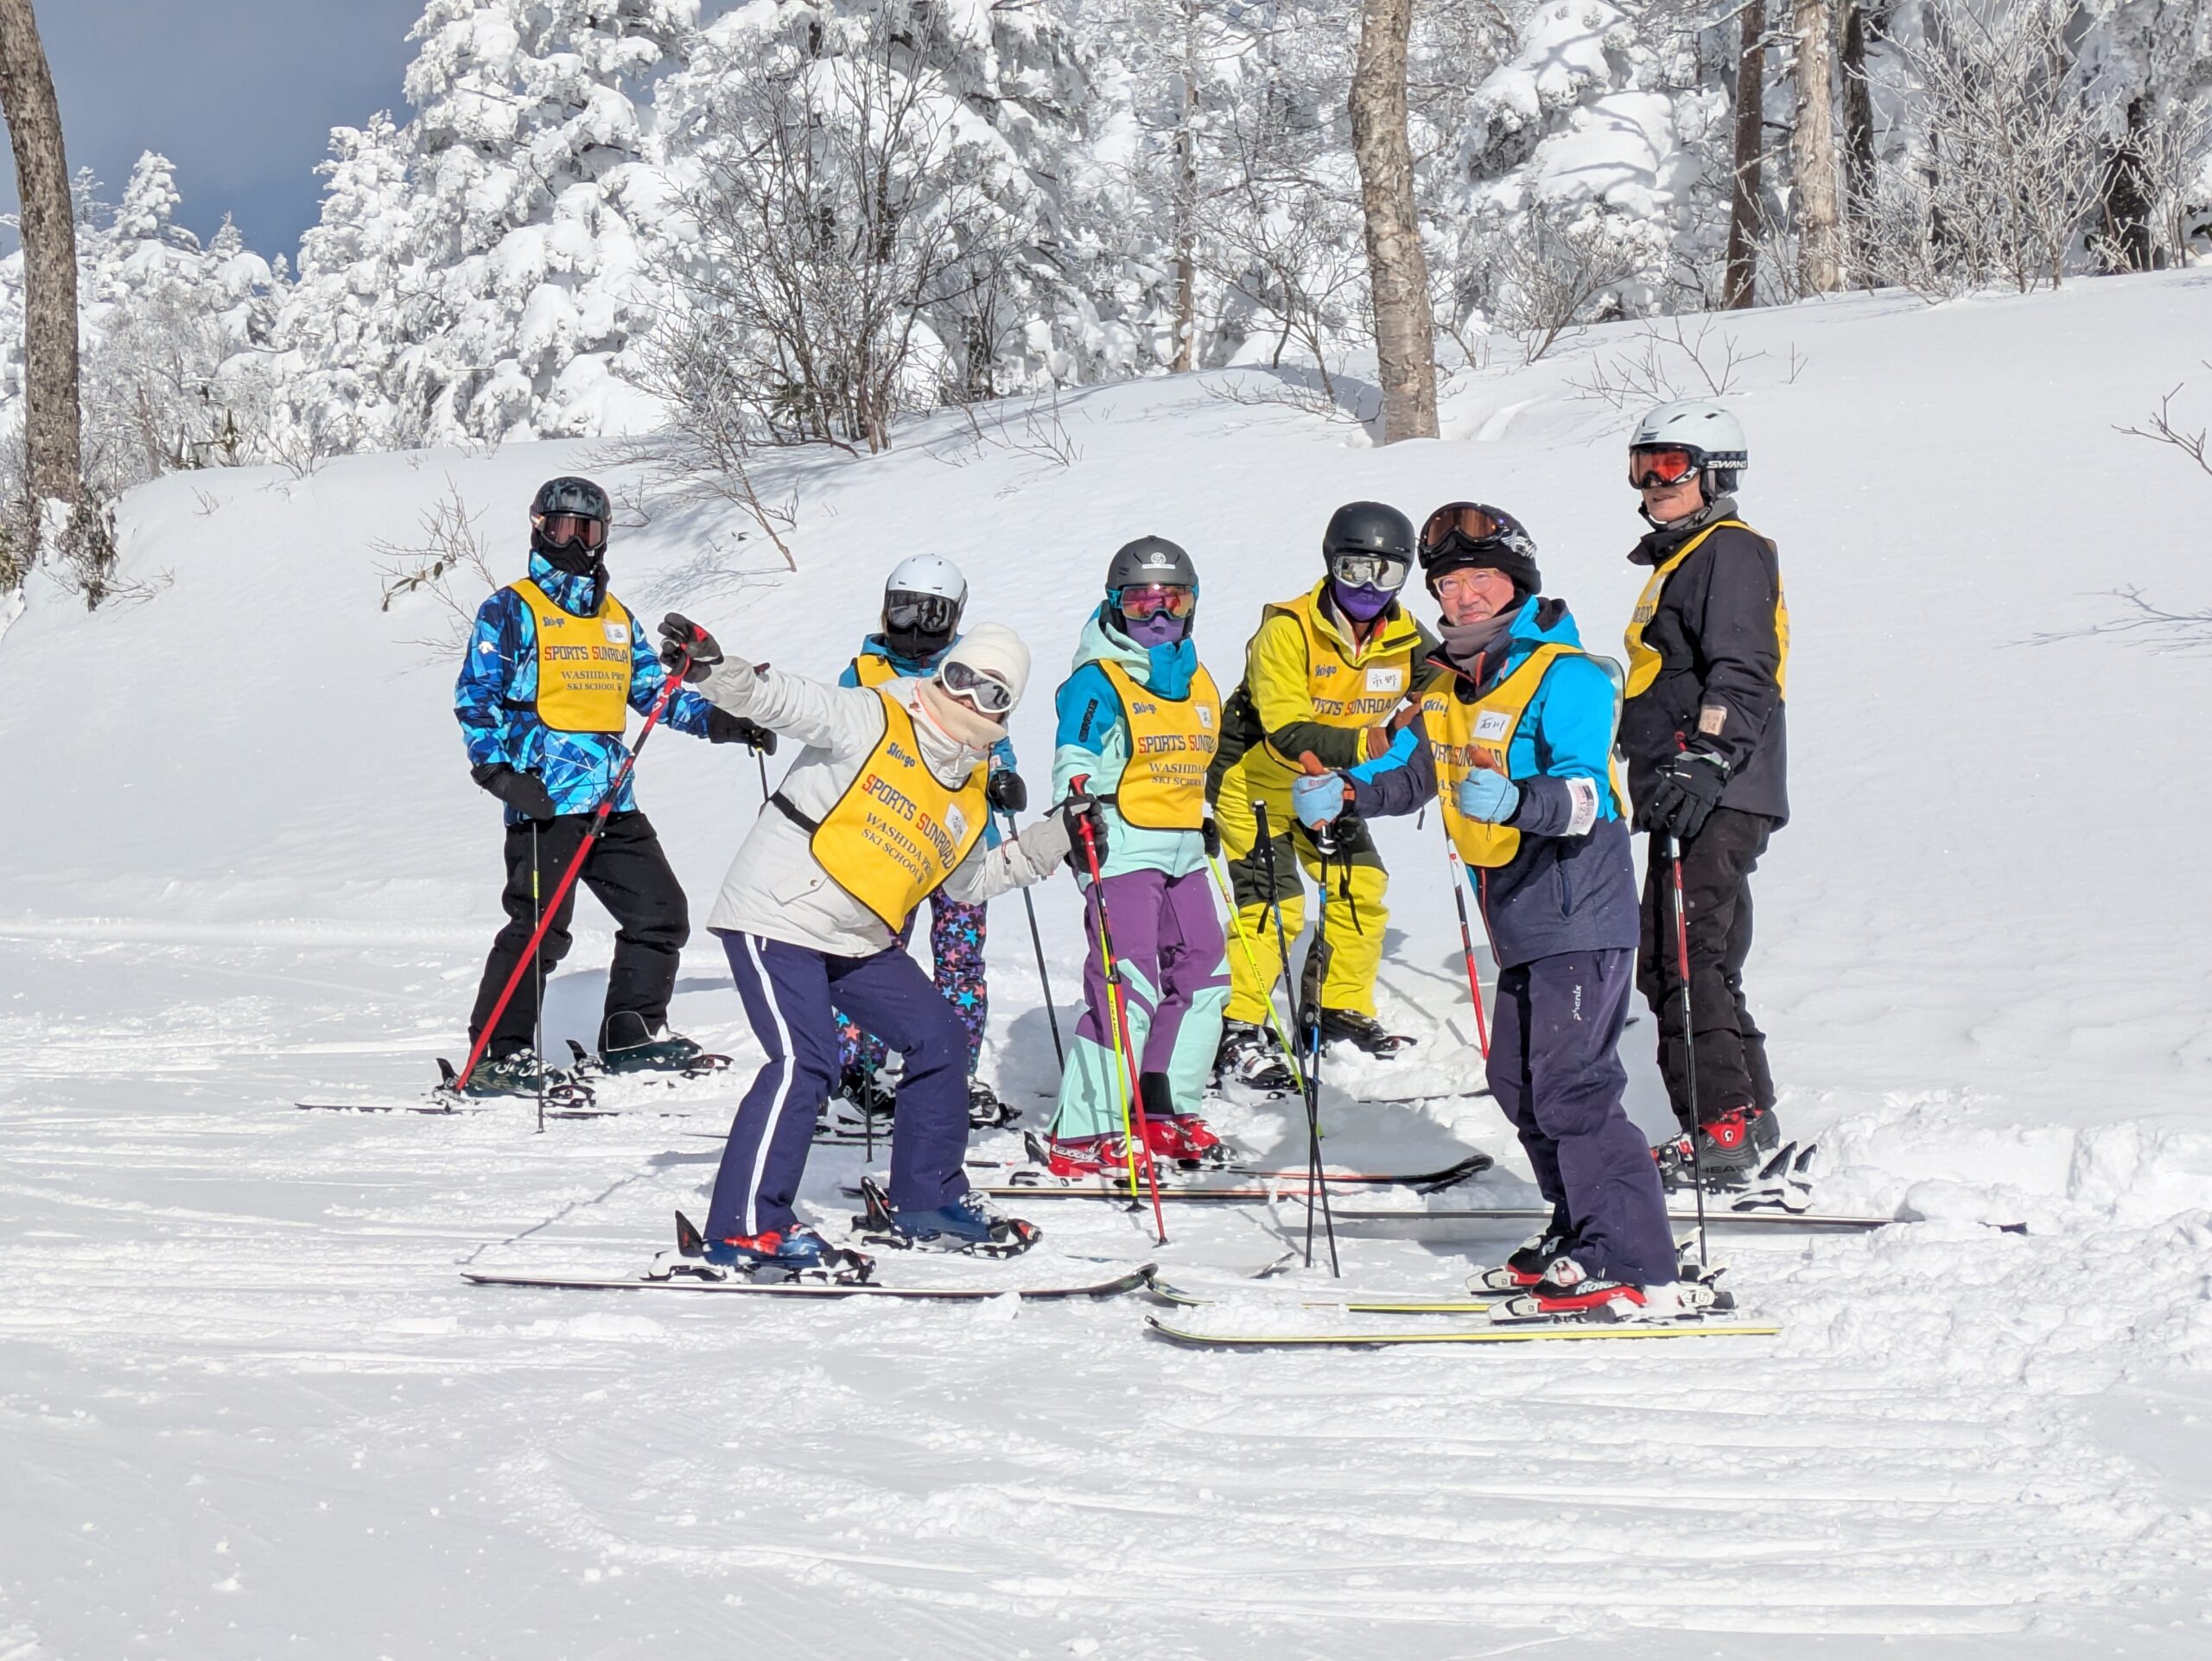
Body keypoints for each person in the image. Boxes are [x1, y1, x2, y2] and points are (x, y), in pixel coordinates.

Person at [1292, 503, 1686, 1314]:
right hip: (1518, 920)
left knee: (1573, 1087)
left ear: (1517, 582)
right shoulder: (1442, 683)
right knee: (1518, 1084)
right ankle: (1581, 1228)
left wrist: (1518, 799)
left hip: (1581, 907)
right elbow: (1407, 776)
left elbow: (1586, 794)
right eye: (1449, 583)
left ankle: (1634, 1258)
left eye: (1481, 578)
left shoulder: (1568, 675)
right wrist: (1343, 793)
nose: (1464, 596)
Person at [658, 611, 1096, 1269]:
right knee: (805, 1062)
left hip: (857, 938)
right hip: (780, 910)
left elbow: (971, 882)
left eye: (990, 691)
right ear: (941, 672)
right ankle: (745, 1226)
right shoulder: (875, 713)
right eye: (960, 676)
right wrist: (715, 672)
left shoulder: (969, 790)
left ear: (1005, 710)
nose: (968, 697)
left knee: (939, 1038)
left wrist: (1057, 835)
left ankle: (927, 1197)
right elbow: (779, 699)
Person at [452, 476, 772, 1095]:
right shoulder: (511, 610)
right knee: (540, 930)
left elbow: (652, 692)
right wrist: (498, 774)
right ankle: (498, 1055)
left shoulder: (616, 619)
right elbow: (476, 699)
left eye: (589, 529)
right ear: (540, 529)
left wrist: (725, 722)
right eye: (562, 527)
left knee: (661, 915)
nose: (576, 541)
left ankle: (631, 1035)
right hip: (544, 800)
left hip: (611, 799)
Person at [1207, 502, 1438, 1094]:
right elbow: (1286, 730)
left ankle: (1337, 1007)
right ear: (1331, 563)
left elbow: (1453, 681)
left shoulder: (1408, 637)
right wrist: (1370, 743)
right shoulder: (1288, 630)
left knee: (1361, 885)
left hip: (1325, 788)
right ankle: (1240, 1026)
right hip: (1255, 782)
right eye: (1354, 568)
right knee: (1274, 905)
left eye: (1386, 572)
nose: (1369, 586)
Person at [1619, 400, 1789, 1185]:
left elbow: (1745, 667)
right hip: (1691, 790)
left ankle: (1719, 1130)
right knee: (1699, 957)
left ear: (1716, 474)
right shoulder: (1689, 558)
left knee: (1679, 958)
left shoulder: (1729, 551)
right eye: (1641, 467)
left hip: (1713, 788)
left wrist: (1709, 755)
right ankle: (1746, 1120)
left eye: (1669, 466)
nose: (1653, 483)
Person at [1043, 537, 1231, 1172]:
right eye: (1140, 602)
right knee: (1130, 981)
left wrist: (1203, 815)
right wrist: (1075, 807)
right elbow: (1075, 754)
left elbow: (1199, 757)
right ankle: (1083, 1131)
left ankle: (1164, 1109)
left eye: (1172, 601)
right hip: (1120, 844)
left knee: (1205, 972)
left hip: (1183, 846)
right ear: (1114, 606)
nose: (1157, 616)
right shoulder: (1100, 678)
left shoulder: (1198, 677)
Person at [832, 555, 1026, 1130]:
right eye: (904, 611)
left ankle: (953, 1074)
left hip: (961, 842)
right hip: (888, 840)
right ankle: (856, 1072)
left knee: (960, 959)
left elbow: (995, 738)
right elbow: (842, 740)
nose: (915, 627)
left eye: (932, 615)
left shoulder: (972, 667)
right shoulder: (864, 674)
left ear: (955, 617)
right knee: (869, 956)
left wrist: (1002, 777)